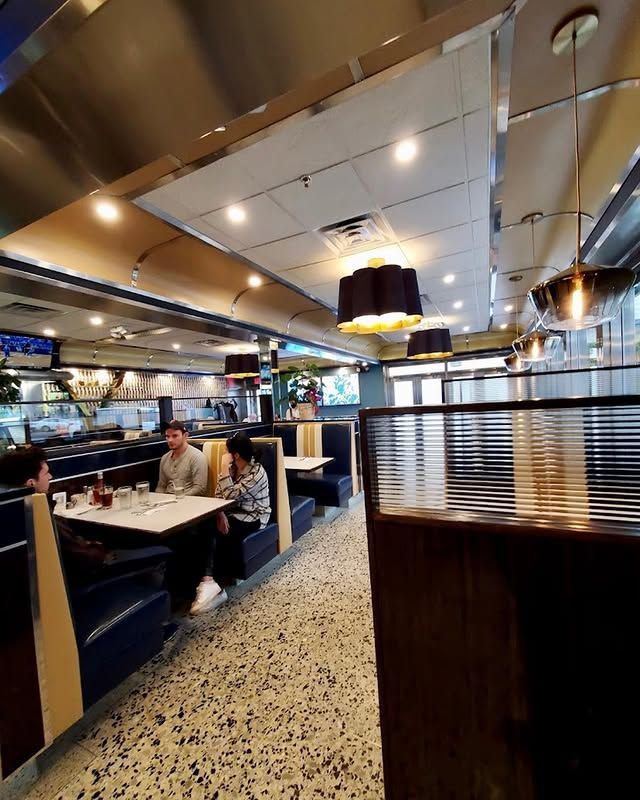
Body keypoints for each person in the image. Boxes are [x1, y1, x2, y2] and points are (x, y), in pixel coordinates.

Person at [0, 447, 168, 587]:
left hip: (68, 568)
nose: (50, 477)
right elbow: (83, 557)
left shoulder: (14, 514)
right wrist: (99, 547)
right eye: (46, 473)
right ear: (31, 483)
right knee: (164, 551)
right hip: (87, 572)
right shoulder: (40, 517)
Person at [190, 433, 271, 615]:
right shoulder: (232, 469)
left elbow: (230, 495)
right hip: (230, 513)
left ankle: (211, 584)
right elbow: (219, 495)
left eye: (227, 451)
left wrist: (223, 468)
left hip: (254, 516)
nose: (225, 455)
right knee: (201, 525)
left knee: (212, 529)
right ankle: (204, 581)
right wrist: (219, 513)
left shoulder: (257, 472)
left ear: (235, 454)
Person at [156, 419, 208, 496]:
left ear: (185, 435)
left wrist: (179, 498)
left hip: (188, 499)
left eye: (175, 436)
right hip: (167, 499)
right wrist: (159, 499)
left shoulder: (197, 457)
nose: (170, 440)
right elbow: (161, 486)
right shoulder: (165, 458)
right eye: (167, 436)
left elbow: (200, 488)